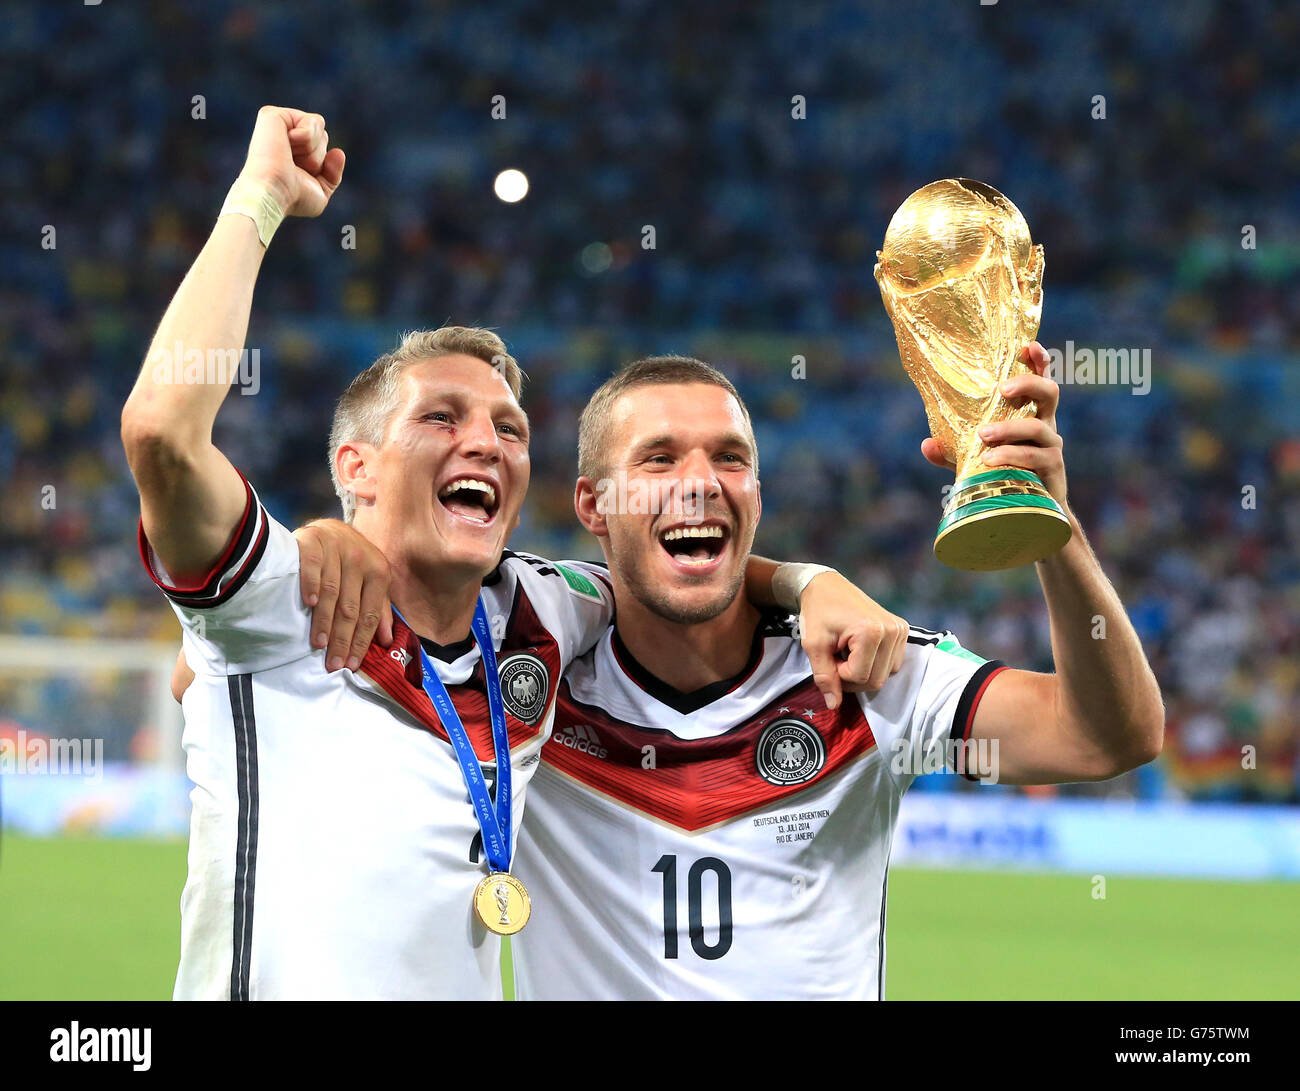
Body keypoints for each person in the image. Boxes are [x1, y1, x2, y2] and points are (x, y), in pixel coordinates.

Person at [135, 105, 897, 1000]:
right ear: (357, 467)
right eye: (441, 418)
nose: (487, 444)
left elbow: (673, 574)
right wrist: (258, 201)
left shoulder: (545, 610)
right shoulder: (279, 599)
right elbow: (162, 433)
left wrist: (811, 583)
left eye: (509, 428)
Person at [507, 351, 1164, 1000]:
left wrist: (1055, 523)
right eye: (660, 457)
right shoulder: (533, 676)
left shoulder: (864, 668)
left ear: (756, 500)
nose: (702, 481)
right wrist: (804, 577)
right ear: (593, 505)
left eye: (730, 458)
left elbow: (1106, 738)